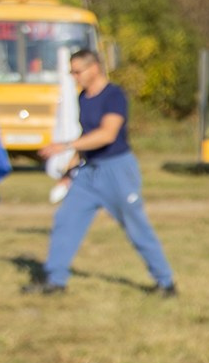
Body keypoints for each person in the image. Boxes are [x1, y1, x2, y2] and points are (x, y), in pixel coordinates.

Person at [30, 48, 176, 297]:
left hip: (117, 170)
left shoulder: (114, 96)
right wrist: (69, 170)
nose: (74, 77)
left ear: (94, 67)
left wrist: (64, 146)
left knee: (135, 225)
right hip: (89, 173)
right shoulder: (83, 98)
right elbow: (86, 138)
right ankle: (55, 280)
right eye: (72, 72)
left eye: (78, 71)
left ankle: (165, 283)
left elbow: (107, 134)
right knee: (66, 219)